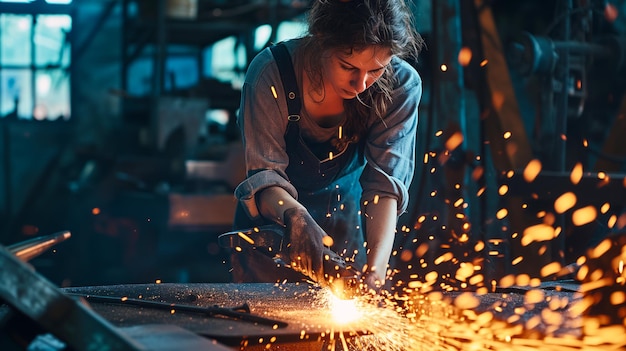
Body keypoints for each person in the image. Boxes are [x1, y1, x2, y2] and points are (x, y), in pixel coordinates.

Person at [230, 0, 424, 293]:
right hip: (270, 243)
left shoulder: (401, 85)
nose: (361, 84)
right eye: (348, 66)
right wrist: (295, 216)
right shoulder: (272, 74)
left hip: (344, 233)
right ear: (321, 41)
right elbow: (264, 179)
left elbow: (384, 189)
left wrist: (375, 274)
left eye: (375, 70)